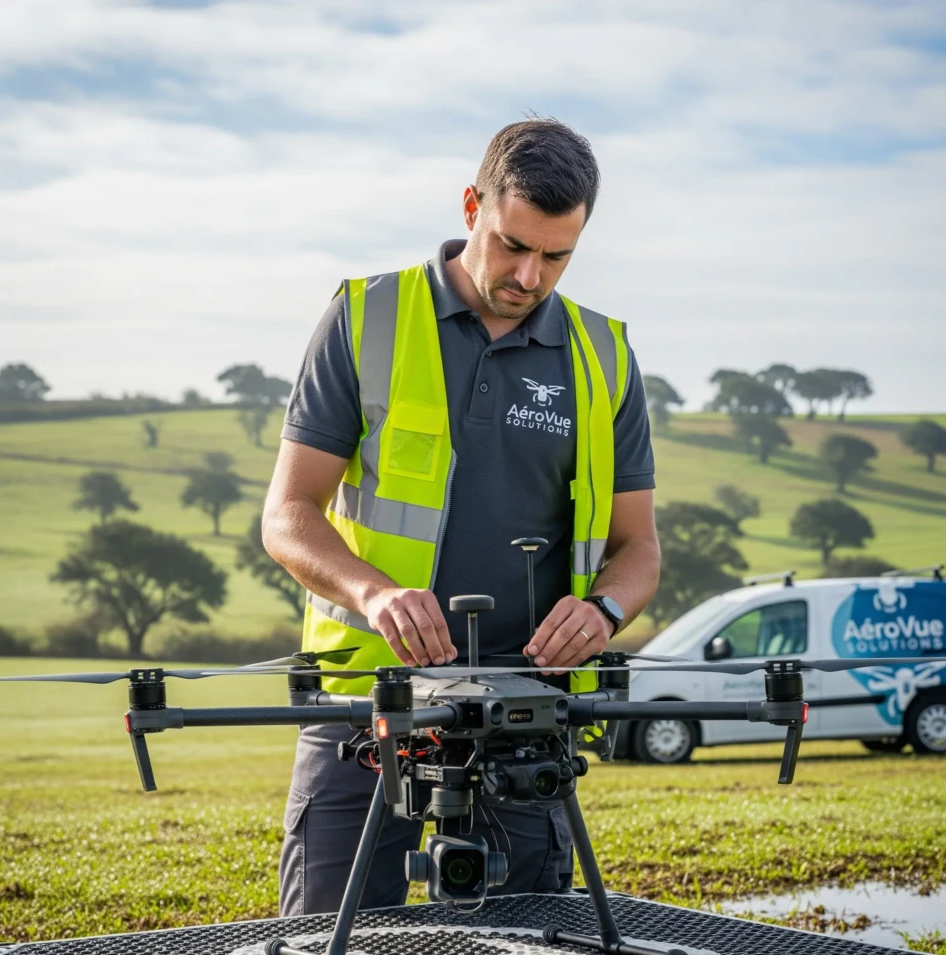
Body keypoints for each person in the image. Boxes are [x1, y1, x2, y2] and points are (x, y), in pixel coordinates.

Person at [262, 118, 661, 917]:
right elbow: (288, 513)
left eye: (556, 256)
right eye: (513, 244)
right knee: (326, 938)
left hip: (525, 725)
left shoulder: (605, 355)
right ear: (473, 202)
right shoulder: (366, 316)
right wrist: (375, 593)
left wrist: (605, 609)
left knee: (522, 938)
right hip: (364, 712)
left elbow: (637, 546)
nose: (528, 274)